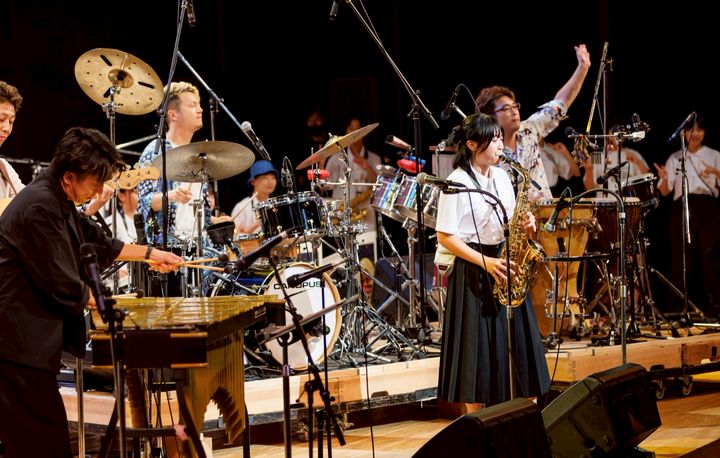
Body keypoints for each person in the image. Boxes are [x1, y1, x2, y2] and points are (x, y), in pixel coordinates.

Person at [0, 127, 182, 457]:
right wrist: (111, 306)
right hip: (15, 348)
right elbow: (62, 281)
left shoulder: (57, 198)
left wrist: (150, 254)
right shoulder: (39, 206)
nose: (99, 192)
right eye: (95, 183)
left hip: (29, 347)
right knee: (43, 447)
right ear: (69, 177)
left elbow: (97, 240)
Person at [435, 113, 550, 411]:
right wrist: (485, 262)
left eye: (501, 139)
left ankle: (526, 418)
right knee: (476, 358)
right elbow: (445, 236)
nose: (501, 145)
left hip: (504, 262)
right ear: (472, 145)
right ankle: (477, 426)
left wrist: (526, 223)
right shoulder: (456, 181)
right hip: (473, 267)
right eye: (494, 140)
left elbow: (509, 222)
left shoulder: (501, 177)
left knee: (521, 348)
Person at [475, 44, 591, 201]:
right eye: (506, 108)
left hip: (545, 212)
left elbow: (560, 103)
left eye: (515, 106)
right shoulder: (486, 152)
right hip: (511, 215)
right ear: (490, 117)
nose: (514, 111)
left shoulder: (529, 129)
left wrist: (582, 68)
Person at [654, 116, 720, 317]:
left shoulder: (714, 154)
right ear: (684, 133)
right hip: (682, 206)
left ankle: (716, 306)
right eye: (692, 130)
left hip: (707, 205)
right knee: (681, 257)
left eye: (700, 130)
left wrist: (716, 172)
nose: (696, 134)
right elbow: (665, 191)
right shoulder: (675, 157)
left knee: (711, 257)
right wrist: (664, 178)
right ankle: (677, 307)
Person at [137, 81, 212, 245]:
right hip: (170, 247)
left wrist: (213, 221)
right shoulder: (156, 152)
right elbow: (144, 202)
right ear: (173, 115)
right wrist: (171, 196)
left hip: (200, 246)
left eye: (199, 104)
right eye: (192, 105)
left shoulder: (198, 156)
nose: (200, 109)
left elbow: (194, 212)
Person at [324, 117, 381, 231]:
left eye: (358, 128)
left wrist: (367, 167)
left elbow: (380, 186)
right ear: (345, 133)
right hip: (342, 213)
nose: (354, 132)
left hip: (366, 214)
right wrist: (321, 169)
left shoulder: (375, 159)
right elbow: (326, 186)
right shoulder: (335, 159)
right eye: (351, 128)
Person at [582, 131, 650, 193]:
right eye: (613, 131)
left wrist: (638, 162)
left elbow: (647, 179)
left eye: (621, 131)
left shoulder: (632, 153)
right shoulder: (597, 156)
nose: (617, 134)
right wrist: (589, 169)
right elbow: (589, 188)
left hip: (628, 199)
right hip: (603, 200)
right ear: (608, 134)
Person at [231, 159, 279, 234]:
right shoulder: (241, 207)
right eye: (265, 178)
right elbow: (235, 236)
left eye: (273, 178)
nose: (270, 182)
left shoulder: (276, 205)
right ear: (253, 181)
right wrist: (256, 224)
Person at [0, 81, 25, 201]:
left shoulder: (4, 168)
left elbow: (29, 203)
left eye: (11, 122)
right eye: (1, 119)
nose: (6, 128)